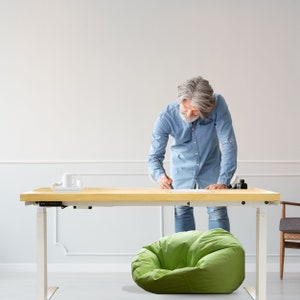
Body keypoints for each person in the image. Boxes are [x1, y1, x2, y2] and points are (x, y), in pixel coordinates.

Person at [148, 75, 237, 233]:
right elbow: (154, 157)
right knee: (182, 211)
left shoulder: (218, 104)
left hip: (211, 165)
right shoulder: (166, 116)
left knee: (217, 211)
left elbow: (228, 143)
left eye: (195, 111)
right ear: (180, 101)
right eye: (185, 108)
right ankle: (186, 257)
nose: (189, 114)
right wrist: (160, 176)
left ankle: (218, 256)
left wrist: (224, 180)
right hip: (181, 169)